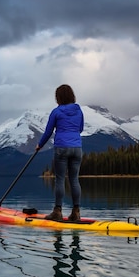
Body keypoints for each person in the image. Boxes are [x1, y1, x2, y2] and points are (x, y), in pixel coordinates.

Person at [35, 84, 84, 221]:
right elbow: (80, 129)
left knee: (60, 179)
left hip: (62, 147)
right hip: (77, 148)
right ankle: (76, 212)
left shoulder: (56, 112)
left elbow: (49, 131)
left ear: (59, 97)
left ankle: (57, 211)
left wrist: (40, 145)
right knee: (74, 179)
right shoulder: (79, 111)